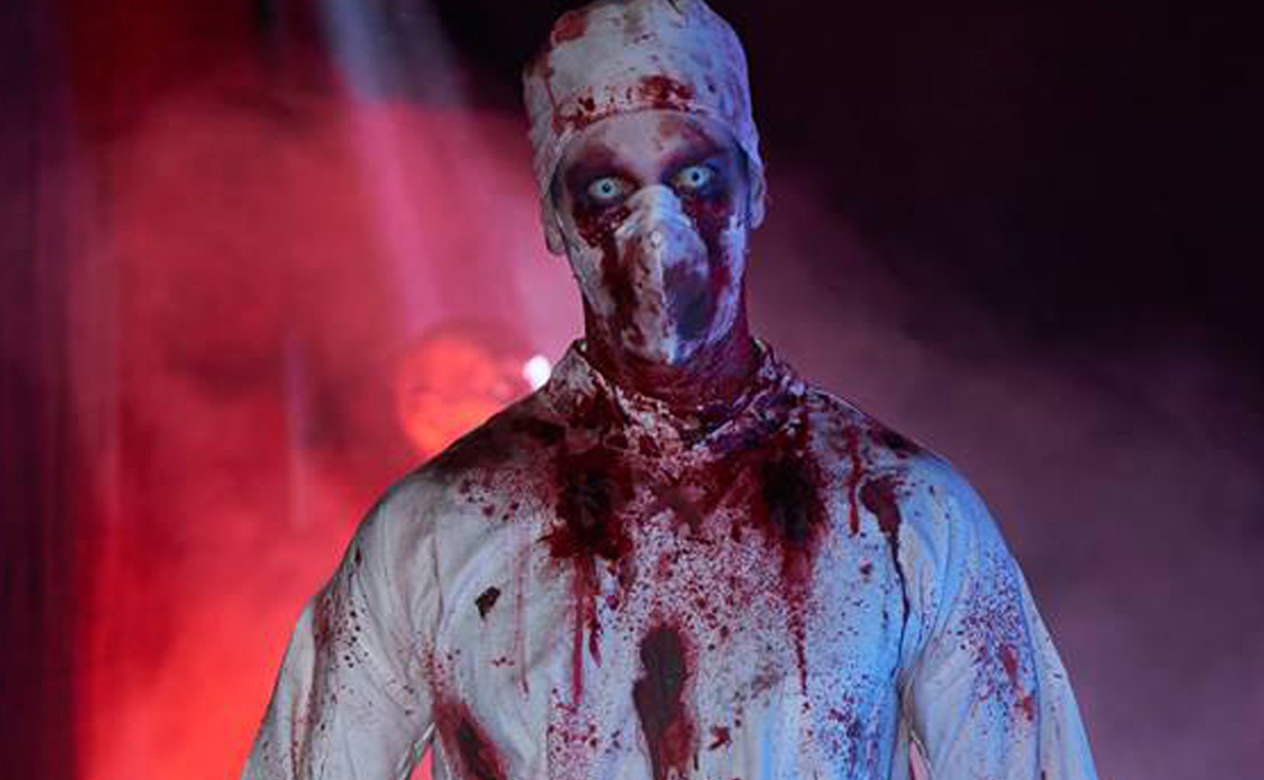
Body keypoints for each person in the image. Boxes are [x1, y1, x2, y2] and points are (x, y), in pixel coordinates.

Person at [242, 1, 1100, 778]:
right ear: (554, 219)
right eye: (606, 188)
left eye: (695, 180)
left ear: (752, 189)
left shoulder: (902, 514)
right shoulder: (436, 531)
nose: (659, 229)